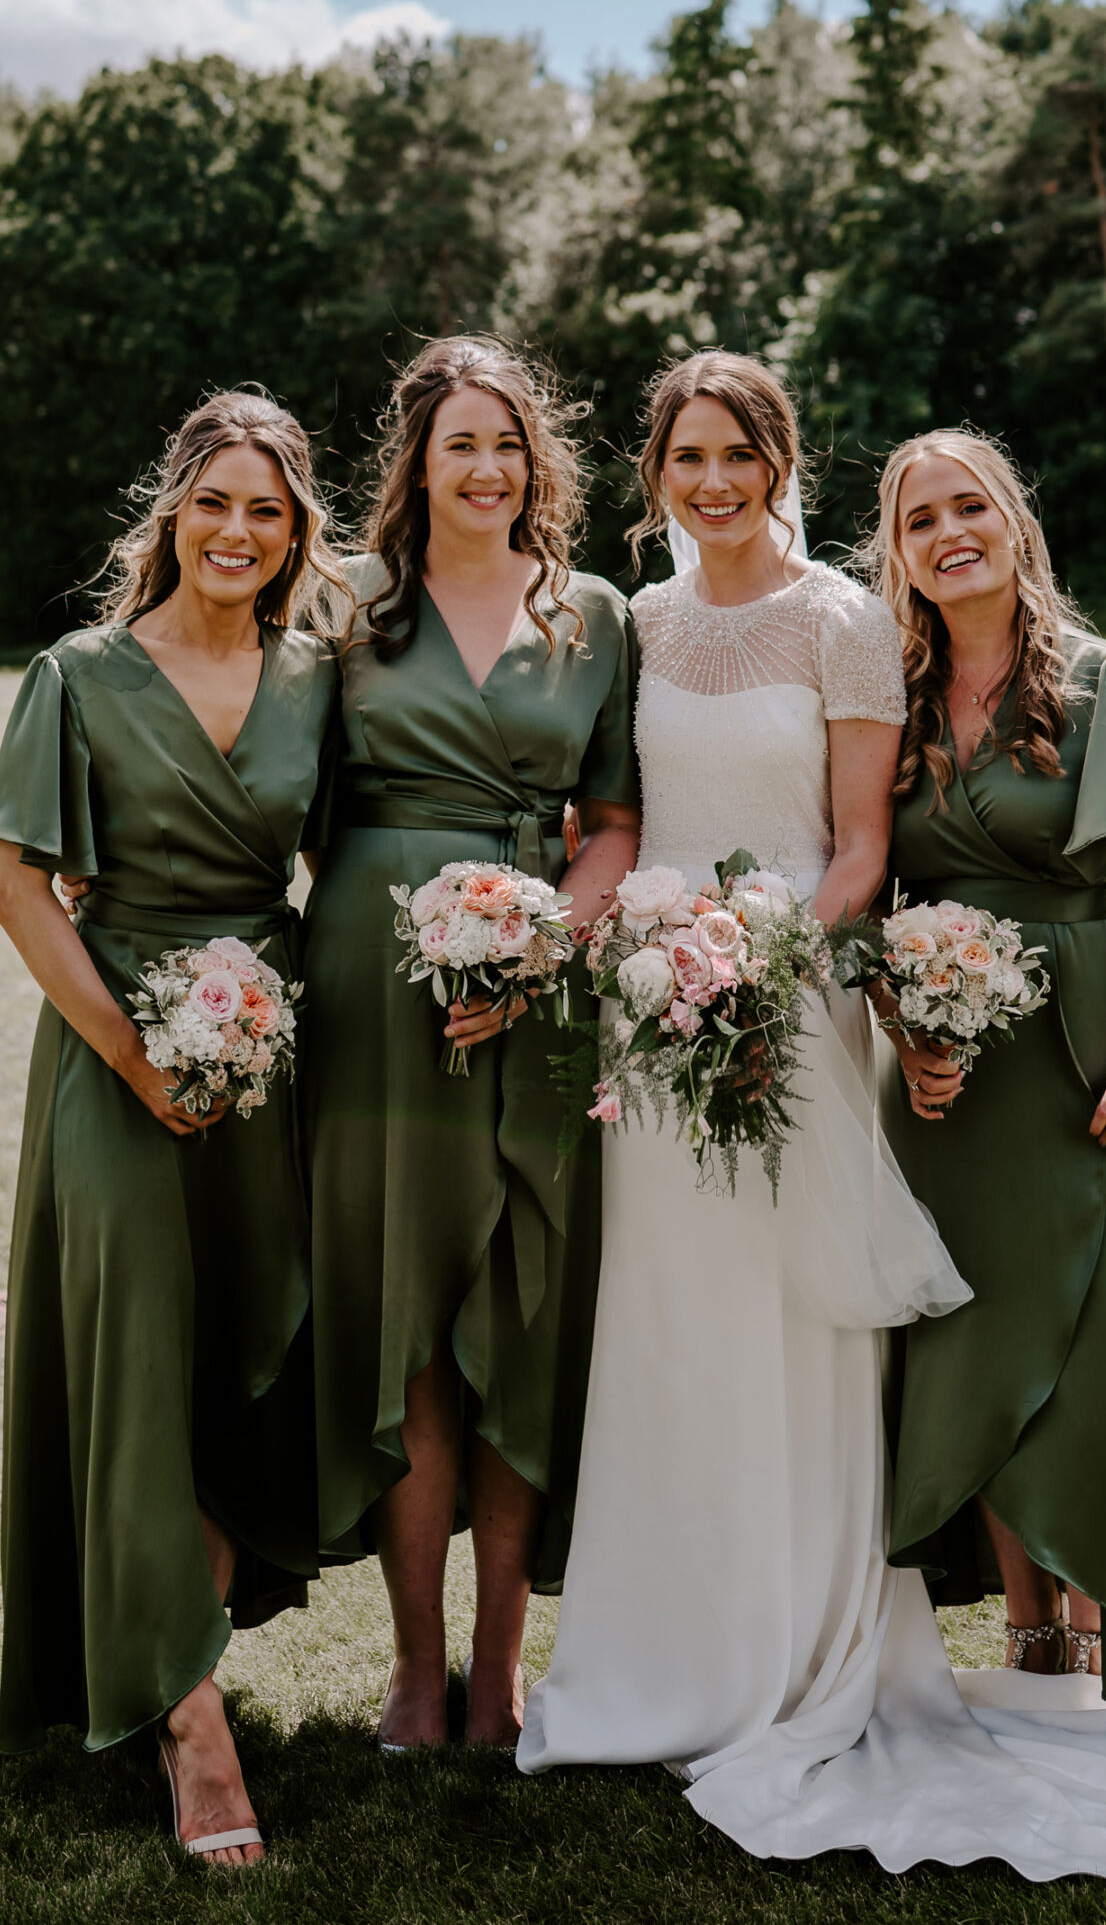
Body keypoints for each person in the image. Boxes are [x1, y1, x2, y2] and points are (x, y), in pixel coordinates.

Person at [519, 359, 1106, 1881]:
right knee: (672, 1331)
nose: (714, 481)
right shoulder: (640, 623)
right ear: (657, 474)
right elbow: (625, 822)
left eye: (742, 454)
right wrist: (637, 952)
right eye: (688, 458)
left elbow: (861, 847)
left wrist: (763, 957)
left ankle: (837, 1639)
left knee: (814, 1334)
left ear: (781, 462)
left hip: (800, 998)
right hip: (664, 1013)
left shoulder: (852, 627)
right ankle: (665, 1656)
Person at [0, 388, 346, 1866]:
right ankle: (191, 1729)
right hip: (112, 1057)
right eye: (215, 504)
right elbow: (18, 889)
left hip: (269, 1057)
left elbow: (354, 861)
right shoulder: (77, 673)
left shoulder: (323, 679)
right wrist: (136, 1062)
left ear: (296, 527)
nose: (238, 533)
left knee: (237, 1358)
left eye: (267, 509)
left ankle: (187, 1639)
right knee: (134, 1362)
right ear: (173, 512)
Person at [869, 427, 1106, 1710]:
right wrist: (902, 1026)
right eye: (921, 521)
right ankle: (1029, 1627)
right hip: (946, 1083)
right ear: (900, 552)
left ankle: (1101, 1616)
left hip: (1081, 1060)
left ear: (1013, 520)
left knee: (1091, 1344)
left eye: (968, 506)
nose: (949, 533)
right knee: (970, 1341)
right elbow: (872, 887)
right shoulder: (895, 697)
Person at [302, 336, 640, 1752]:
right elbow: (290, 797)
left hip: (546, 988)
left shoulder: (597, 616)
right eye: (459, 446)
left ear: (536, 458)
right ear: (417, 465)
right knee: (408, 1316)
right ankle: (413, 1666)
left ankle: (503, 1662)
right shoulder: (346, 608)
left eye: (508, 443)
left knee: (526, 1304)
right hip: (380, 996)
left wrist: (541, 942)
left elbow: (615, 820)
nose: (487, 467)